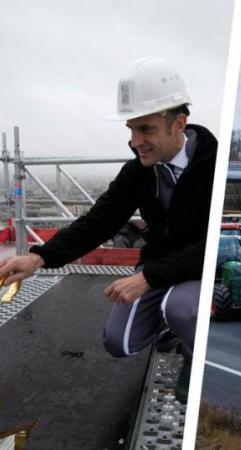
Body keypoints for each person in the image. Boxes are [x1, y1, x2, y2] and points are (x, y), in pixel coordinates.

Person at [0, 56, 217, 403]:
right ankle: (174, 330)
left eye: (145, 130)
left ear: (178, 124)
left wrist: (148, 278)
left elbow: (212, 246)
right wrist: (39, 258)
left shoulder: (214, 167)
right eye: (131, 129)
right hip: (162, 266)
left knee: (183, 307)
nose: (135, 141)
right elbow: (98, 221)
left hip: (201, 272)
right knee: (120, 343)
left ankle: (196, 357)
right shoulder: (140, 171)